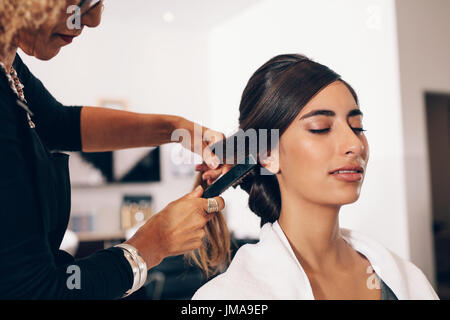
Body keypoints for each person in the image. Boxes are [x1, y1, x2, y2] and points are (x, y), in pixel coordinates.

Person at [0, 0, 225, 299]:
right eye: (82, 2)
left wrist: (177, 129)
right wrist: (151, 244)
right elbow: (38, 292)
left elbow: (58, 123)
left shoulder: (8, 66)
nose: (93, 19)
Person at [190, 54, 439, 300]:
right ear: (267, 155)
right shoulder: (227, 297)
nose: (355, 144)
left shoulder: (406, 279)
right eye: (321, 128)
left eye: (357, 127)